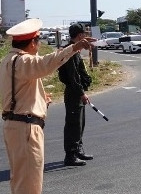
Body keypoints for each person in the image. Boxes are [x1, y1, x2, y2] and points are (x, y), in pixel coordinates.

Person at [0, 18, 95, 194]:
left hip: (15, 125)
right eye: (38, 40)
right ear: (32, 43)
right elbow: (46, 63)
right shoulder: (23, 61)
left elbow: (19, 90)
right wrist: (74, 47)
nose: (39, 45)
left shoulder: (8, 60)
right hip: (25, 128)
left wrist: (41, 101)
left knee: (20, 179)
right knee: (29, 184)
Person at [58, 23, 94, 166]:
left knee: (80, 123)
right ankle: (70, 155)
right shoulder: (70, 52)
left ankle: (78, 150)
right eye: (84, 34)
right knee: (73, 124)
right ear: (79, 35)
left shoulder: (75, 50)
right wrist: (81, 93)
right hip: (73, 92)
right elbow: (73, 76)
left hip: (77, 92)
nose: (85, 36)